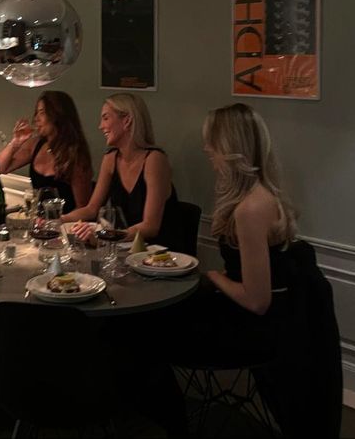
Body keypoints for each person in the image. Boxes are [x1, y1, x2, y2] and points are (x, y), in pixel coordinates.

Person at [121, 103, 299, 437]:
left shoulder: (249, 210)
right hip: (268, 319)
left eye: (212, 142)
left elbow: (257, 300)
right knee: (154, 322)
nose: (207, 150)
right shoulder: (261, 195)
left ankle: (167, 421)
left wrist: (215, 277)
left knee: (145, 332)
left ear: (232, 148)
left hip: (256, 330)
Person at [63, 93, 180, 246]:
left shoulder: (154, 160)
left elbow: (151, 227)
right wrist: (59, 219)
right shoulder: (111, 158)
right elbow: (92, 209)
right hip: (124, 247)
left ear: (127, 121)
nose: (100, 126)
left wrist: (105, 236)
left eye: (105, 118)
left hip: (159, 253)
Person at [0, 90, 92, 213]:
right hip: (39, 222)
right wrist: (16, 142)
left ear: (57, 115)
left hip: (65, 224)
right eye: (36, 113)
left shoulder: (75, 155)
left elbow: (83, 208)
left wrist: (58, 222)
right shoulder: (36, 144)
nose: (36, 119)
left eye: (42, 113)